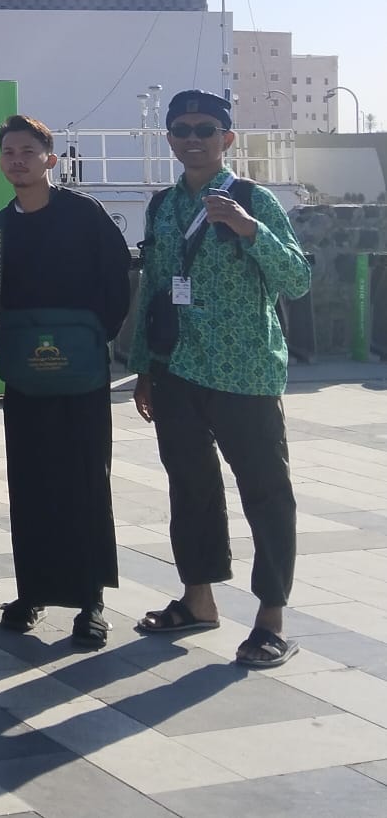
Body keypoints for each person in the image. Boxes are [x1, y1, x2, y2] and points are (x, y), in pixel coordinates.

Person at [128, 89, 311, 667]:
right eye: (181, 130)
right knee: (190, 486)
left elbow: (298, 278)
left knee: (266, 491)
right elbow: (154, 287)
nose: (193, 139)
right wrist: (144, 368)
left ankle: (271, 617)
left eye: (205, 129)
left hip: (245, 370)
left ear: (226, 138)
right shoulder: (162, 206)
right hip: (178, 368)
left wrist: (250, 229)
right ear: (170, 139)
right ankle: (198, 598)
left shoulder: (254, 199)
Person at [0, 114, 130, 648]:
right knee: (29, 483)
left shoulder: (85, 215)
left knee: (86, 483)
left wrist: (92, 339)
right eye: (9, 152)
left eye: (28, 151)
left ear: (50, 159)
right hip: (26, 380)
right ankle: (33, 591)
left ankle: (90, 600)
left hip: (81, 378)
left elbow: (116, 283)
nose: (18, 161)